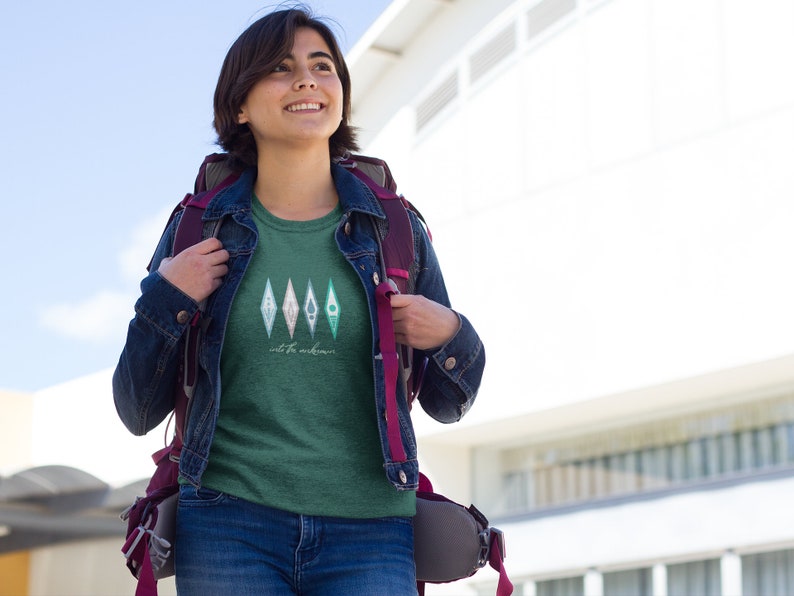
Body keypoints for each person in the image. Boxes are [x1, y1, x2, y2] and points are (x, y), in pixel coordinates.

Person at [113, 7, 485, 595]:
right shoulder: (197, 228)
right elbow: (136, 410)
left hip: (373, 529)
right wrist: (166, 298)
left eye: (322, 66)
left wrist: (450, 335)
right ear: (239, 105)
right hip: (227, 524)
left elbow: (449, 405)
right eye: (281, 69)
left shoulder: (395, 229)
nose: (307, 80)